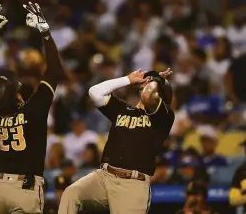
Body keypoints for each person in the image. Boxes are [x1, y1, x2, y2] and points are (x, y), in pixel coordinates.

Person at [0, 3, 65, 214]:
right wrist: (44, 31)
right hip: (25, 191)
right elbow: (54, 70)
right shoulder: (33, 112)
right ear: (17, 97)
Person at [58, 69, 175, 213]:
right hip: (104, 176)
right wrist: (127, 80)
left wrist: (158, 82)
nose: (147, 82)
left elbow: (149, 97)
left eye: (150, 82)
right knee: (71, 193)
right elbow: (95, 92)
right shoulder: (123, 109)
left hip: (133, 183)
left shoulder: (164, 117)